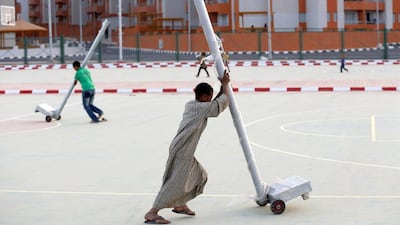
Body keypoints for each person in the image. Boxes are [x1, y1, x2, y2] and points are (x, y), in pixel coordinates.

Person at [144, 71, 231, 224]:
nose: (210, 99)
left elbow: (214, 103)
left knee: (200, 175)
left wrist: (222, 87)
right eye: (209, 97)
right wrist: (225, 85)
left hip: (182, 148)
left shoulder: (193, 105)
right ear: (204, 97)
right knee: (173, 182)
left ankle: (180, 204)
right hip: (182, 150)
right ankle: (152, 212)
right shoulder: (202, 108)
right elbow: (220, 104)